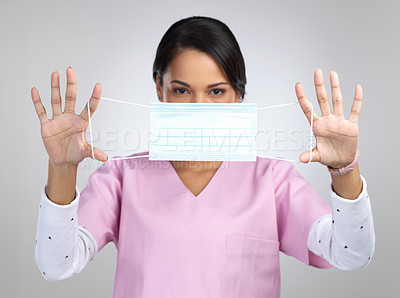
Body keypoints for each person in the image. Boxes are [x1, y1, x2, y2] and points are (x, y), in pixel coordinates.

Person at [31, 16, 375, 298]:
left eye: (216, 91)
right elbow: (56, 265)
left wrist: (345, 169)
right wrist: (61, 168)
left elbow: (351, 254)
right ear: (158, 87)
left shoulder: (272, 179)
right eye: (182, 90)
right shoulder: (121, 176)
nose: (198, 107)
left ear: (238, 93)